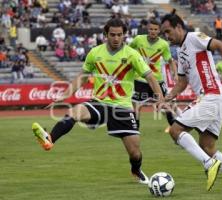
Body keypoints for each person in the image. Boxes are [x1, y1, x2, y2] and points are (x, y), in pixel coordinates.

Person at [31, 18, 165, 185]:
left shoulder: (132, 55)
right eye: (112, 35)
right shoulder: (95, 52)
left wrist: (160, 98)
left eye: (119, 35)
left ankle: (136, 170)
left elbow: (150, 77)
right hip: (99, 103)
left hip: (122, 107)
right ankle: (49, 139)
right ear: (105, 35)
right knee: (74, 112)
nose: (116, 38)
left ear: (124, 35)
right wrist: (65, 95)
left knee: (135, 153)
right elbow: (82, 78)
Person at [160, 10, 222, 192]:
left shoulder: (194, 37)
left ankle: (209, 164)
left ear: (179, 27)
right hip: (214, 98)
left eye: (168, 31)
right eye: (164, 33)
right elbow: (182, 82)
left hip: (211, 95)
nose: (166, 36)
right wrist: (167, 97)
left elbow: (221, 45)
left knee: (175, 130)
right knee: (207, 145)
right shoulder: (181, 51)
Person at [129, 19, 178, 130]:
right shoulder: (138, 39)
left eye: (155, 29)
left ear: (159, 30)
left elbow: (170, 61)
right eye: (151, 29)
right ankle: (135, 132)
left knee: (165, 105)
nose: (153, 31)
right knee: (136, 106)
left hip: (157, 80)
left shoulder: (163, 44)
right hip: (140, 79)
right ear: (147, 29)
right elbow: (127, 50)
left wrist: (174, 74)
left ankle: (177, 132)